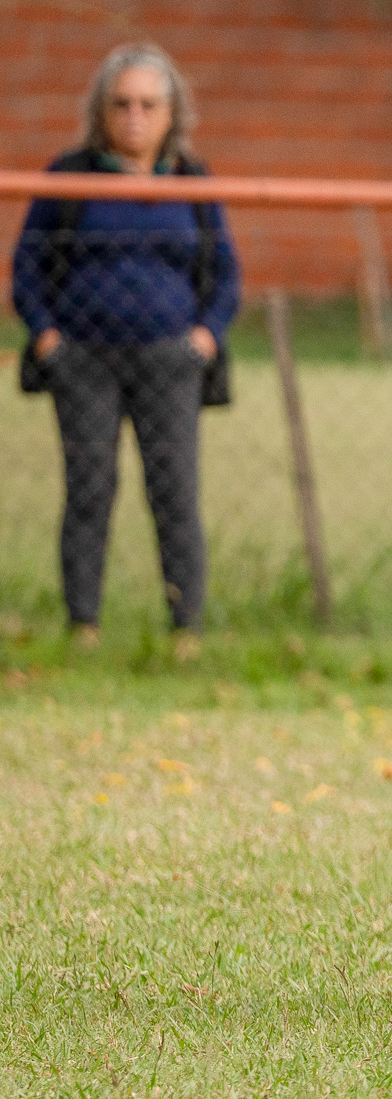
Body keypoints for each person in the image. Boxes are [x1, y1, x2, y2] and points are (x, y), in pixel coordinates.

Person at [10, 43, 238, 659]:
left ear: (172, 112)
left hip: (171, 361)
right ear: (101, 111)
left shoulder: (192, 179)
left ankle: (184, 630)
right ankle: (83, 626)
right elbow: (27, 266)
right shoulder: (70, 177)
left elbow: (225, 274)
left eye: (148, 105)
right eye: (121, 105)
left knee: (175, 493)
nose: (134, 117)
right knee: (89, 490)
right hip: (83, 361)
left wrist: (205, 336)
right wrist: (47, 335)